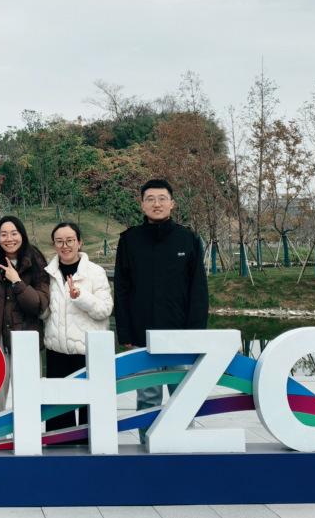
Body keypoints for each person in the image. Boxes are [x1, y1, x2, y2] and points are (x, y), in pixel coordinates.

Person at [114, 179, 209, 443]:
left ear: (172, 203)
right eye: (151, 199)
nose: (157, 204)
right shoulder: (129, 240)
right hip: (142, 334)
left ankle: (185, 446)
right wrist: (125, 333)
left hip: (180, 335)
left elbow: (198, 291)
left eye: (162, 198)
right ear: (142, 204)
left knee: (182, 395)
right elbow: (122, 289)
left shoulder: (188, 239)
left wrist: (195, 335)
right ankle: (148, 447)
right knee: (147, 397)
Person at [41, 222, 113, 435]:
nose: (65, 246)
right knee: (58, 414)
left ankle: (89, 450)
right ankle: (58, 451)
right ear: (53, 245)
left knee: (88, 413)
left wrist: (80, 296)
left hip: (87, 352)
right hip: (57, 351)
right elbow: (44, 312)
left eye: (70, 240)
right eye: (60, 241)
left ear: (79, 243)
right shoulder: (48, 274)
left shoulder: (95, 272)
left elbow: (105, 310)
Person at [0, 215, 50, 416]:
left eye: (14, 233)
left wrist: (17, 282)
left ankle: (27, 434)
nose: (9, 239)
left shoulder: (36, 262)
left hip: (25, 337)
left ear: (22, 235)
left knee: (28, 398)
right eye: (3, 234)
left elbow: (39, 305)